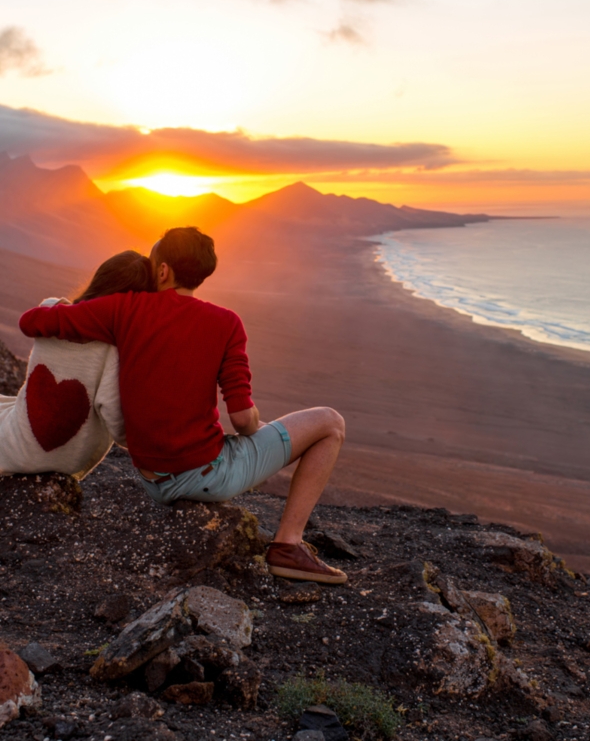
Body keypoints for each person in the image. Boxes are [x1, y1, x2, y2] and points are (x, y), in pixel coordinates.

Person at [20, 227, 347, 584]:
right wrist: (259, 428)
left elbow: (31, 322)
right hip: (206, 477)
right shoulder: (226, 323)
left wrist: (72, 309)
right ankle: (288, 546)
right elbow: (242, 421)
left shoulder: (124, 308)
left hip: (153, 480)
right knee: (330, 423)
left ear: (162, 271)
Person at [1, 251, 155, 479]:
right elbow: (117, 423)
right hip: (66, 463)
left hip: (13, 448)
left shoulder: (51, 311)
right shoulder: (113, 351)